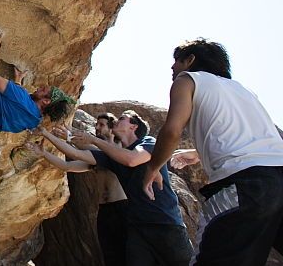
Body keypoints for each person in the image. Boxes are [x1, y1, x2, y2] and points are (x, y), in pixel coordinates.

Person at [142, 39, 283, 265]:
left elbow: (172, 130)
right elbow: (260, 139)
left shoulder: (187, 80)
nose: (172, 68)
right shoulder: (244, 91)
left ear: (190, 60)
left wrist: (153, 167)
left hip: (246, 186)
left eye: (176, 61)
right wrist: (197, 152)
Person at [41, 111, 193, 266]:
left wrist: (93, 139)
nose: (116, 121)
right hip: (138, 229)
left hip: (165, 224)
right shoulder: (111, 157)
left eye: (122, 119)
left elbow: (131, 160)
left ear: (133, 126)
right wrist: (45, 134)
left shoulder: (148, 142)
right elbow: (75, 154)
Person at [27, 112, 128, 266]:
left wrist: (62, 135)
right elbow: (67, 165)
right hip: (104, 210)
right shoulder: (98, 157)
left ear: (111, 128)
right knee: (109, 254)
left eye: (101, 125)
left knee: (127, 253)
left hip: (121, 208)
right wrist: (43, 153)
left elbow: (78, 150)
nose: (97, 128)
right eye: (96, 124)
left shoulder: (118, 151)